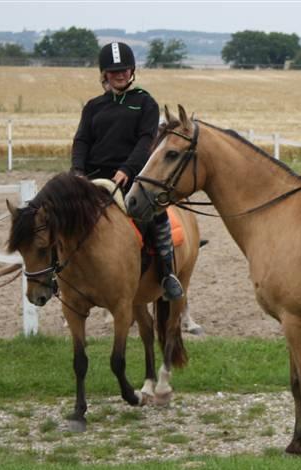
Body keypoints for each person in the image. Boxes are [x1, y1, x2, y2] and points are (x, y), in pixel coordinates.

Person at [71, 42, 183, 301]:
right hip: (91, 178)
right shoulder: (93, 106)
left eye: (124, 69)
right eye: (113, 71)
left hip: (130, 178)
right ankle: (59, 276)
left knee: (157, 215)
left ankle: (167, 274)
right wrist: (77, 171)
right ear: (104, 74)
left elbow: (146, 141)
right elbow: (82, 141)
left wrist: (126, 169)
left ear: (132, 71)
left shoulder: (145, 103)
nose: (120, 74)